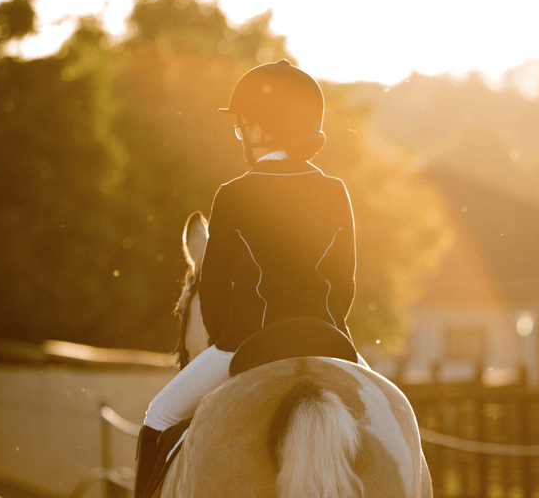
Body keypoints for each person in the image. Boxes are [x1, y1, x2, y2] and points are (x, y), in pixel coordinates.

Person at [133, 59, 368, 498]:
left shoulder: (234, 194)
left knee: (160, 414)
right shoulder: (337, 192)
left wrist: (229, 338)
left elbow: (216, 294)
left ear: (264, 129)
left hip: (248, 342)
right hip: (331, 340)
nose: (241, 136)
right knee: (394, 409)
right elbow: (344, 286)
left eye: (245, 126)